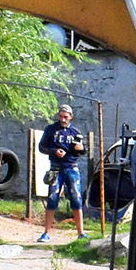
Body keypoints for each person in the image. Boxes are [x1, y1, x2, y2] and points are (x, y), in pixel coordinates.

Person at [37, 104, 88, 243]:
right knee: (52, 198)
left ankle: (81, 233)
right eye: (61, 116)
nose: (63, 119)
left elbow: (83, 151)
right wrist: (54, 151)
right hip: (55, 168)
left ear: (71, 117)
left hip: (72, 167)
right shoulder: (51, 130)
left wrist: (81, 148)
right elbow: (41, 146)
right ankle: (46, 232)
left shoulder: (75, 132)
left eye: (65, 117)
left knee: (76, 198)